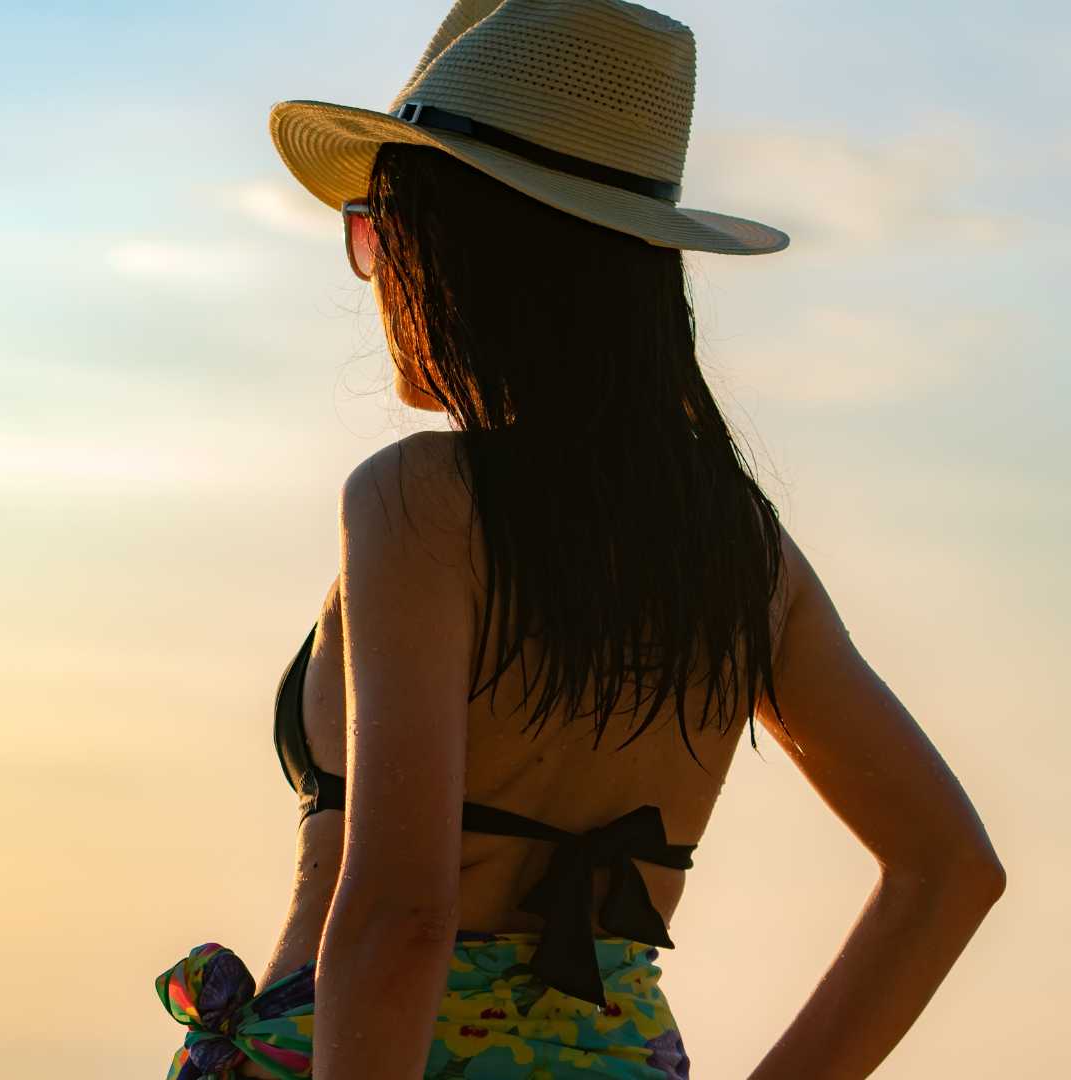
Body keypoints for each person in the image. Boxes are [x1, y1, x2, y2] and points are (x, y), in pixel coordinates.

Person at [153, 1, 1005, 1077]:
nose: (372, 272)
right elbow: (949, 868)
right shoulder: (743, 550)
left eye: (378, 225)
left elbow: (404, 916)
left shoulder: (421, 500)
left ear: (456, 248)